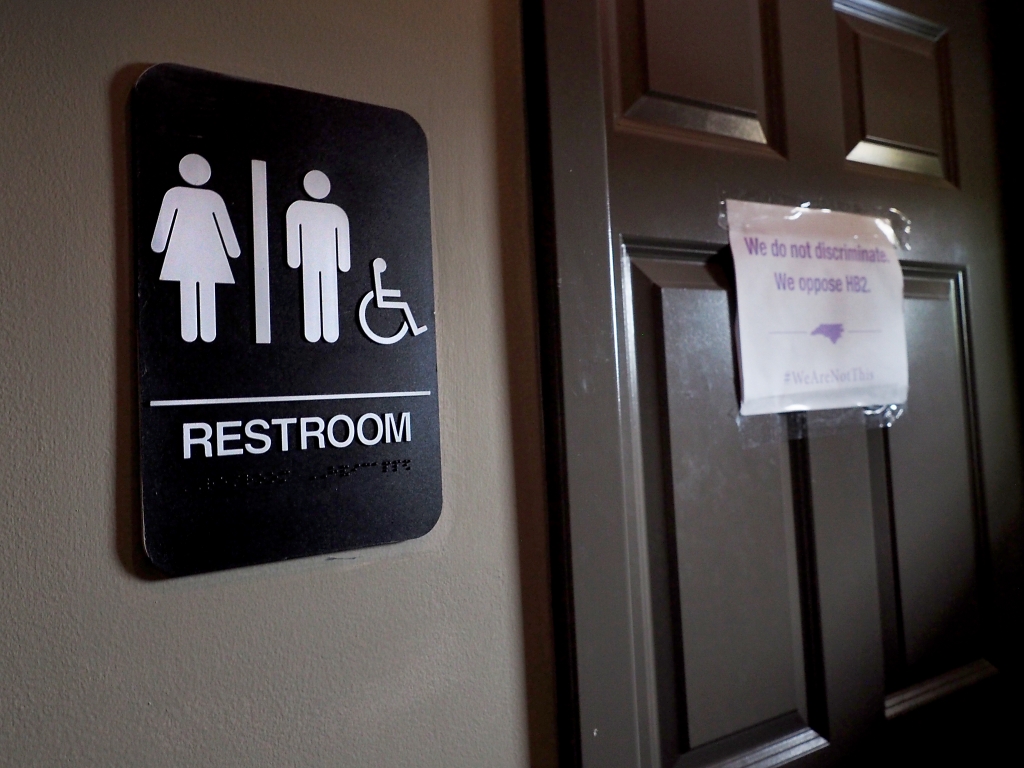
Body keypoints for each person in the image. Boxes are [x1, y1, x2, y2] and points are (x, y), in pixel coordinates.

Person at [150, 154, 241, 342]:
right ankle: (198, 331)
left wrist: (159, 246)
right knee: (195, 286)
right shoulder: (206, 197)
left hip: (187, 251)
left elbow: (224, 226)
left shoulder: (177, 194)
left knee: (192, 286)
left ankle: (199, 331)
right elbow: (225, 228)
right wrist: (232, 250)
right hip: (204, 252)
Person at [285, 170, 351, 342]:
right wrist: (293, 259)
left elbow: (342, 237)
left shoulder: (300, 208)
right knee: (313, 290)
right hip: (312, 258)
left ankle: (327, 331)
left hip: (321, 259)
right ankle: (314, 331)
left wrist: (343, 262)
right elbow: (293, 235)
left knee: (323, 291)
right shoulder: (298, 208)